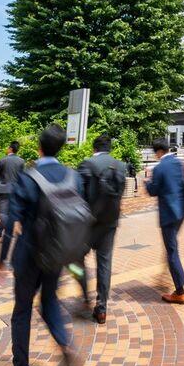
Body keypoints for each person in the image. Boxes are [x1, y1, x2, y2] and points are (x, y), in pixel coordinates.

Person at [0, 124, 82, 366]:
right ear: (61, 147)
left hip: (29, 255)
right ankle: (65, 344)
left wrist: (1, 261)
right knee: (49, 302)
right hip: (57, 254)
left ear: (39, 147)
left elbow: (12, 221)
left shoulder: (29, 177)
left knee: (22, 311)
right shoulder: (73, 176)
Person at [74, 135, 127, 324]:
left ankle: (85, 296)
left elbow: (78, 195)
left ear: (94, 148)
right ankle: (102, 307)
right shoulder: (120, 166)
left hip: (88, 225)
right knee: (104, 264)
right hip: (110, 223)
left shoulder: (86, 164)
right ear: (110, 148)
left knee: (74, 260)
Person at [146, 138, 184, 304]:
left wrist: (147, 181)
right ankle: (167, 273)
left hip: (168, 215)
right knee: (171, 247)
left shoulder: (160, 168)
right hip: (181, 212)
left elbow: (153, 191)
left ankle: (180, 291)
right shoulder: (178, 162)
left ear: (159, 152)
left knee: (172, 251)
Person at [0, 141, 24, 246]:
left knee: (2, 213)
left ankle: (8, 233)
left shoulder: (3, 160)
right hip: (16, 191)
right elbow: (22, 176)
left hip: (4, 190)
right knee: (8, 212)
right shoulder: (21, 161)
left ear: (11, 149)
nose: (7, 149)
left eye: (8, 147)